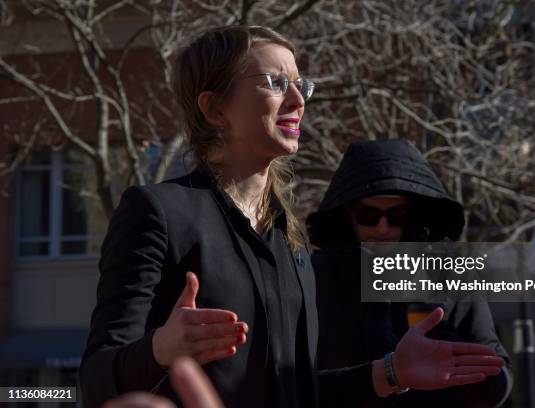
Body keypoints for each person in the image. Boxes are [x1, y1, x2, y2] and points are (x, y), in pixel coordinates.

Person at [80, 25, 504, 408]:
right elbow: (95, 380)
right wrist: (159, 349)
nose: (298, 100)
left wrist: (391, 372)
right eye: (275, 83)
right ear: (215, 109)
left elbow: (299, 394)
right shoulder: (157, 212)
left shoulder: (291, 237)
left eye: (301, 85)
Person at [307, 139, 512, 407]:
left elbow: (499, 379)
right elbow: (289, 384)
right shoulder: (313, 279)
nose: (382, 228)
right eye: (368, 215)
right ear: (347, 212)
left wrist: (461, 361)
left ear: (414, 212)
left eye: (396, 214)